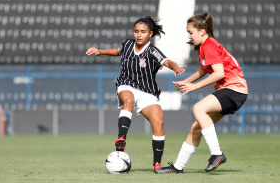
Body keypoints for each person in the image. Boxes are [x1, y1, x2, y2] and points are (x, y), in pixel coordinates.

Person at [86, 16, 186, 172]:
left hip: (147, 91)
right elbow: (118, 51)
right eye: (136, 31)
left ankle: (157, 164)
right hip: (126, 84)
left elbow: (166, 61)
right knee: (129, 101)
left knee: (158, 124)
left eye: (143, 32)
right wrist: (101, 52)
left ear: (150, 34)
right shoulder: (127, 44)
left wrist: (175, 67)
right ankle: (121, 138)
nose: (139, 35)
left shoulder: (152, 51)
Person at [155, 12, 248, 173]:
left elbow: (219, 73)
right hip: (233, 91)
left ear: (202, 31)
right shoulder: (205, 46)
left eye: (191, 32)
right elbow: (204, 69)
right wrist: (187, 81)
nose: (189, 36)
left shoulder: (209, 45)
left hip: (234, 89)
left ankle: (217, 154)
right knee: (196, 127)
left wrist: (194, 86)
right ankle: (177, 167)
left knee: (198, 109)